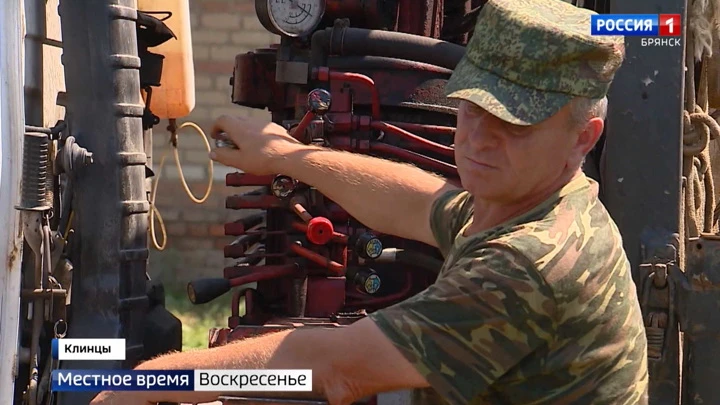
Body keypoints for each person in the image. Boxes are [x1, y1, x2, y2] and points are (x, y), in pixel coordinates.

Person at [91, 0, 648, 404]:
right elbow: (423, 202)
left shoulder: (528, 262)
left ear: (585, 137)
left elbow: (338, 371)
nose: (478, 138)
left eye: (514, 125)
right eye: (474, 108)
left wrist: (154, 384)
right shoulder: (548, 198)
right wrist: (290, 156)